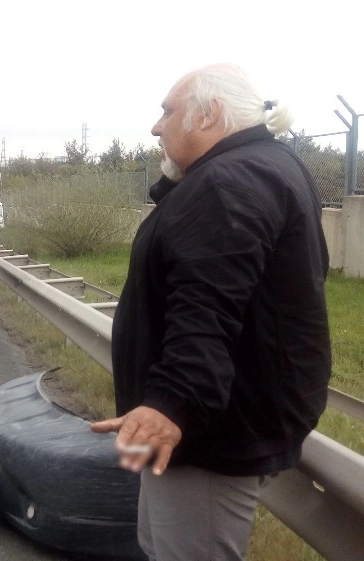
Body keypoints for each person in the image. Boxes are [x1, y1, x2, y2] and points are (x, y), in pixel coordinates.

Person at [90, 63, 331, 561]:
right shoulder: (261, 166)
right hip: (199, 421)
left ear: (209, 115)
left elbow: (208, 303)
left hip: (209, 432)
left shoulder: (228, 182)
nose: (156, 127)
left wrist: (172, 404)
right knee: (157, 546)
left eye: (167, 111)